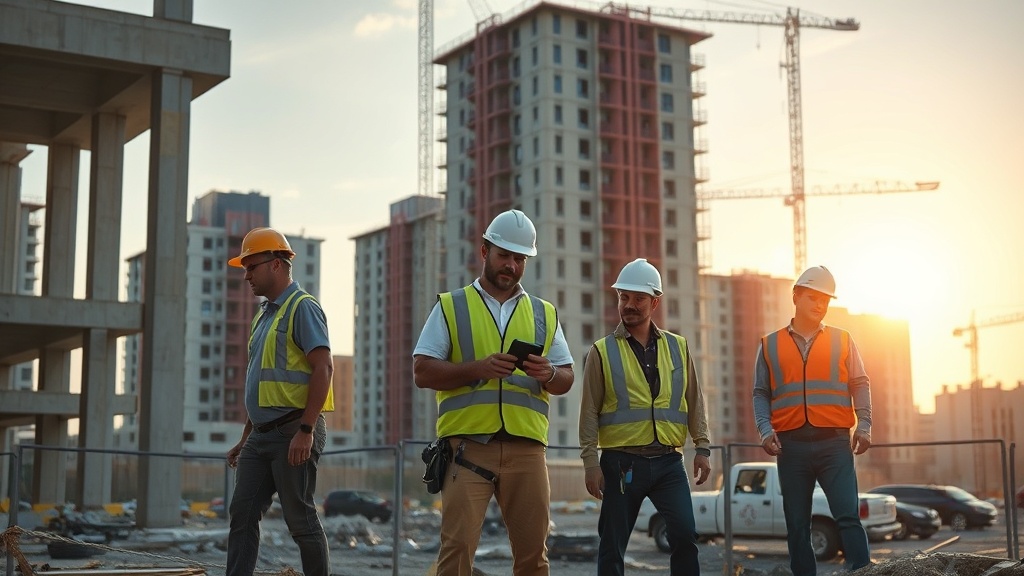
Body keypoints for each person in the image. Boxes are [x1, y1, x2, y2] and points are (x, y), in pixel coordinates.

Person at [413, 209, 575, 576]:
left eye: (520, 259)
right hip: (468, 449)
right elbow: (421, 371)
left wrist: (548, 372)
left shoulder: (543, 313)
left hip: (528, 450)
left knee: (534, 556)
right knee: (456, 553)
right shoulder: (451, 306)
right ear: (484, 251)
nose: (512, 266)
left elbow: (566, 377)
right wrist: (477, 369)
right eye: (505, 255)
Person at [579, 258, 712, 576]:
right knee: (612, 545)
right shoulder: (602, 352)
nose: (629, 305)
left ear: (655, 302)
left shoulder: (678, 348)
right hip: (622, 463)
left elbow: (694, 399)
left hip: (669, 463)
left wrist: (703, 447)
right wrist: (590, 463)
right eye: (624, 297)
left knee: (684, 536)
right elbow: (588, 413)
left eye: (638, 298)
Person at [224, 227, 335, 576]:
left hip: (293, 431)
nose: (247, 276)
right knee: (242, 513)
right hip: (261, 435)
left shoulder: (303, 308)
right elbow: (260, 383)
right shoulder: (264, 316)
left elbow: (324, 368)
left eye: (251, 267)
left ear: (275, 264)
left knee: (300, 519)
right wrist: (245, 438)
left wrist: (306, 430)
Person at [752, 265, 872, 576]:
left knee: (847, 516)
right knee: (796, 525)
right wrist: (765, 431)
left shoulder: (843, 339)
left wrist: (865, 424)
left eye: (825, 300)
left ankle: (862, 572)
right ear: (795, 296)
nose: (819, 305)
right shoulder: (770, 344)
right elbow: (760, 393)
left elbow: (859, 382)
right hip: (789, 447)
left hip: (834, 443)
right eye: (812, 298)